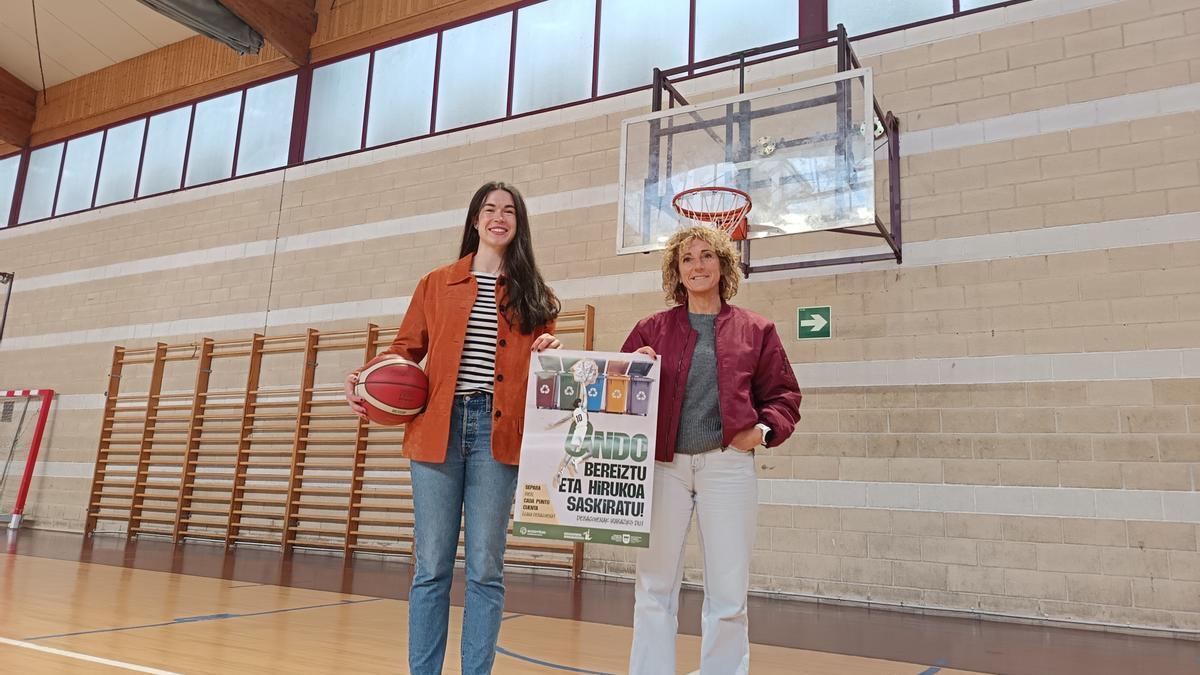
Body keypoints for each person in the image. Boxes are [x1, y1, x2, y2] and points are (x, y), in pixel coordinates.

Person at [345, 181, 561, 674]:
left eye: (509, 211)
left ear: (518, 224)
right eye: (490, 209)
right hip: (437, 427)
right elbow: (404, 352)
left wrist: (553, 350)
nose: (498, 217)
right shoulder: (436, 283)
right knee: (432, 567)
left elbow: (548, 368)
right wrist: (365, 378)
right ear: (475, 220)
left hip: (498, 433)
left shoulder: (536, 296)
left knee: (486, 568)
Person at [622, 225, 802, 675]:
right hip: (664, 470)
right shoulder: (651, 329)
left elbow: (784, 396)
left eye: (706, 256)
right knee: (654, 586)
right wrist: (633, 369)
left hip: (728, 468)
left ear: (722, 264)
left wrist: (760, 432)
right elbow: (617, 396)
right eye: (687, 259)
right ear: (676, 272)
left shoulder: (757, 330)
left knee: (727, 592)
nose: (697, 265)